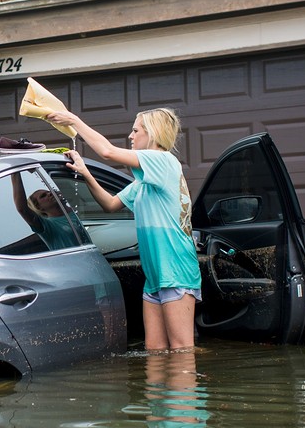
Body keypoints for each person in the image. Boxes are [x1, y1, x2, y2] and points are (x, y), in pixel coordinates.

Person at [45, 107, 201, 351]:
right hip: (155, 277)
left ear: (153, 133)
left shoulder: (163, 161)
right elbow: (109, 204)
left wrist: (73, 120)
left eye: (135, 130)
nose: (130, 136)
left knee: (182, 351)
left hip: (176, 272)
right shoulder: (143, 184)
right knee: (155, 352)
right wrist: (86, 173)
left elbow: (107, 151)